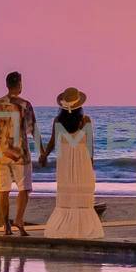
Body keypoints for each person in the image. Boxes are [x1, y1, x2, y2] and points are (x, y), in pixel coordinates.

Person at [39, 87, 104, 240]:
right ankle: (82, 229)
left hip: (65, 161)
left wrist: (44, 155)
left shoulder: (57, 121)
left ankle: (64, 228)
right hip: (82, 160)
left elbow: (52, 142)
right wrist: (91, 165)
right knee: (82, 195)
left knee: (67, 196)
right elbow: (90, 146)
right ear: (79, 105)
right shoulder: (85, 120)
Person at [0, 70, 37, 236]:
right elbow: (32, 129)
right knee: (24, 188)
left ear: (7, 85)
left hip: (0, 154)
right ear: (19, 84)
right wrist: (43, 150)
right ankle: (19, 220)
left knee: (3, 190)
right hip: (20, 153)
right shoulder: (24, 105)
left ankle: (6, 225)